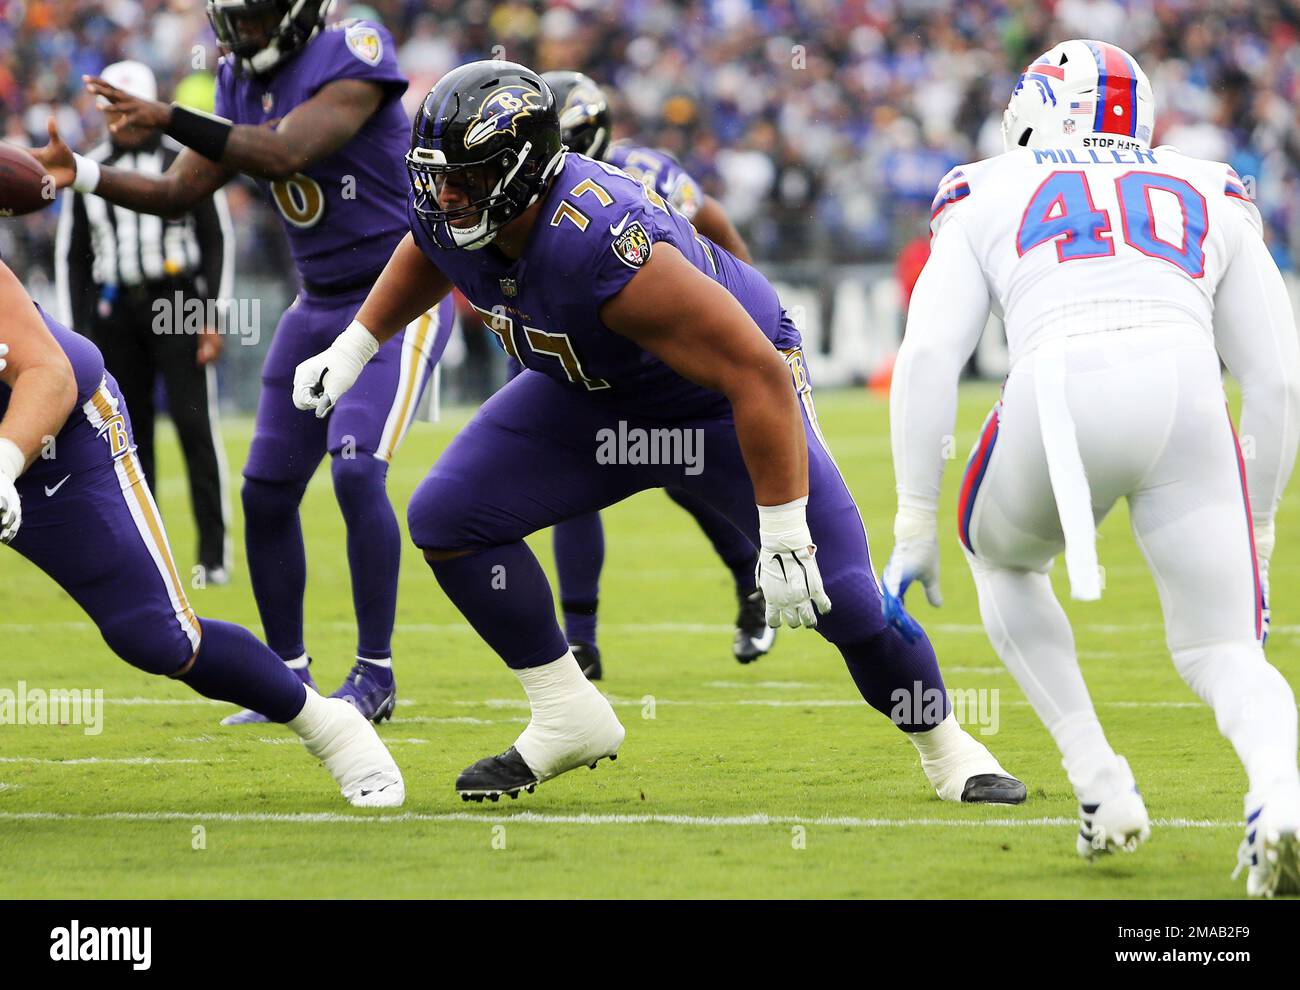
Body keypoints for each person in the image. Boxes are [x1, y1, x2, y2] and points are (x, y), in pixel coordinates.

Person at [292, 60, 1026, 805]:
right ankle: (566, 711)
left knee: (841, 595)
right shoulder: (463, 204)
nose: (445, 196)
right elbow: (427, 246)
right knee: (448, 518)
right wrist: (355, 344)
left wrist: (779, 533)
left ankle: (949, 749)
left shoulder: (601, 240)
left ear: (522, 173)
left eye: (466, 179)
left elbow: (757, 374)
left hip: (714, 399)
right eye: (437, 177)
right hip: (591, 392)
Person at [883, 40, 1300, 896]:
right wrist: (1258, 521)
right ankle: (1280, 796)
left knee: (999, 555)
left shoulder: (985, 185)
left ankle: (1101, 784)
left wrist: (915, 515)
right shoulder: (1212, 183)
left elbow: (928, 356)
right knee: (1224, 647)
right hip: (1188, 391)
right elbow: (1278, 377)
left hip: (1059, 382)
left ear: (1042, 106)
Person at [35, 2, 455, 723]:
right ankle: (286, 679)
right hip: (315, 303)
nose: (242, 32)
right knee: (263, 494)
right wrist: (82, 175)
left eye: (256, 16)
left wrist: (167, 115)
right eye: (235, 18)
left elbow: (284, 151)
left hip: (396, 294)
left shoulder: (353, 48)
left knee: (356, 469)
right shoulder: (233, 78)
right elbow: (177, 192)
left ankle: (376, 674)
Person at [0, 258, 403, 808]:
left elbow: (49, 374)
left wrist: (5, 464)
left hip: (60, 438)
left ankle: (332, 728)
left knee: (156, 635)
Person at [523, 70, 772, 678]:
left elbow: (713, 223)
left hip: (652, 349)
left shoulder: (643, 173)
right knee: (566, 474)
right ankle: (580, 641)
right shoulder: (521, 197)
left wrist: (743, 304)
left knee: (687, 475)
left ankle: (753, 584)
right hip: (569, 344)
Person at [55, 60, 234, 584]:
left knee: (195, 424)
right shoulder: (90, 167)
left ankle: (214, 557)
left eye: (124, 107)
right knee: (127, 441)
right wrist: (71, 335)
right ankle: (143, 553)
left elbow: (216, 238)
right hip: (114, 311)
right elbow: (73, 257)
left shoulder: (184, 162)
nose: (118, 119)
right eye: (110, 108)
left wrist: (214, 317)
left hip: (177, 301)